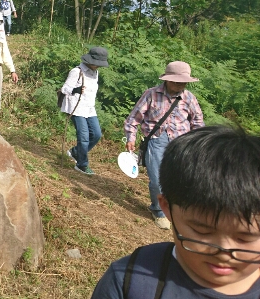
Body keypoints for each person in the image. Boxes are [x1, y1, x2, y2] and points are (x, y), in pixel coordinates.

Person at [91, 125, 260, 298]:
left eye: (245, 237)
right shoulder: (127, 281)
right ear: (167, 208)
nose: (224, 252)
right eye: (203, 231)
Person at [124, 61, 204, 230]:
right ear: (167, 80)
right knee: (157, 180)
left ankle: (175, 209)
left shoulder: (189, 98)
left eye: (183, 82)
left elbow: (197, 122)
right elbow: (133, 119)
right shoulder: (151, 94)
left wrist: (198, 144)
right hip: (156, 141)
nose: (180, 84)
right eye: (176, 81)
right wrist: (130, 138)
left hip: (182, 143)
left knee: (180, 179)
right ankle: (158, 211)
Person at [60, 47, 109, 176]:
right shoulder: (76, 71)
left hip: (89, 108)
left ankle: (76, 152)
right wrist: (76, 90)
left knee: (97, 134)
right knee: (84, 137)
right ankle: (82, 164)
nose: (99, 66)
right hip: (76, 108)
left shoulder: (95, 73)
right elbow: (64, 89)